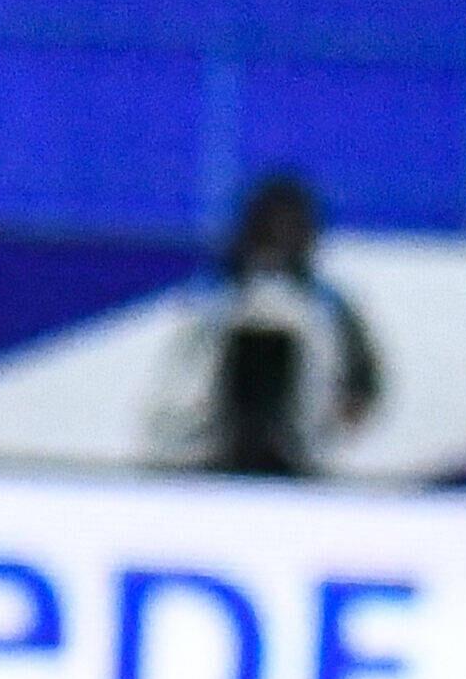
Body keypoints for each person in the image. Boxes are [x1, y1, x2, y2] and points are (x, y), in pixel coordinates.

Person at [157, 169, 382, 477]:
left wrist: (331, 424)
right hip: (210, 459)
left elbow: (363, 384)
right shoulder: (212, 299)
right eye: (271, 231)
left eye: (291, 230)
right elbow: (177, 378)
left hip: (300, 463)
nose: (280, 243)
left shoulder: (326, 309)